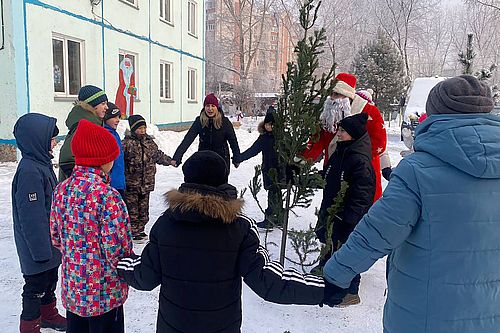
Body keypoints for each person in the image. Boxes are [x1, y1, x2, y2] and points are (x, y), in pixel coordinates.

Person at [323, 75, 500, 332]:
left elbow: (377, 231)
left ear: (435, 113)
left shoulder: (417, 171)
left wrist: (337, 274)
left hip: (424, 314)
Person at [117, 150, 346, 333]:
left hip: (173, 325)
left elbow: (144, 277)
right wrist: (323, 289)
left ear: (187, 180)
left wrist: (119, 261)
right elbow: (268, 281)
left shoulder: (166, 224)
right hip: (222, 326)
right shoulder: (240, 227)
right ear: (223, 180)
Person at [50, 119, 133, 333]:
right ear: (102, 160)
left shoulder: (61, 190)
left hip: (75, 290)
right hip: (103, 293)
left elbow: (56, 237)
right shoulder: (108, 196)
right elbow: (118, 249)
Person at [313, 113, 375, 306]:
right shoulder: (342, 152)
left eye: (342, 131)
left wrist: (350, 218)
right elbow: (329, 175)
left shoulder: (359, 161)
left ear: (353, 135)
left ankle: (350, 292)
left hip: (347, 217)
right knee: (331, 243)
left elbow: (363, 193)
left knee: (348, 252)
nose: (338, 133)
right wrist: (305, 177)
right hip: (333, 211)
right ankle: (325, 272)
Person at [12, 113, 67, 333]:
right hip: (36, 246)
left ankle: (48, 315)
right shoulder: (29, 171)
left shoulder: (41, 165)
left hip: (48, 243)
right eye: (51, 139)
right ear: (37, 140)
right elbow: (31, 217)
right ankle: (29, 325)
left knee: (50, 281)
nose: (55, 142)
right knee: (35, 286)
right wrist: (40, 251)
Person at [122, 114, 173, 240]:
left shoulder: (149, 143)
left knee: (143, 209)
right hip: (132, 184)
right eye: (139, 128)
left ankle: (141, 228)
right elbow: (120, 161)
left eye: (144, 128)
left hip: (146, 183)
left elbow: (158, 155)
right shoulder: (127, 144)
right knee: (132, 209)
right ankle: (133, 231)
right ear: (133, 129)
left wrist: (170, 161)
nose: (142, 131)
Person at [233, 111, 282, 229]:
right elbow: (253, 150)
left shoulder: (281, 137)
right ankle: (276, 217)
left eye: (271, 124)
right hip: (268, 169)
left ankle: (272, 218)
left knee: (275, 193)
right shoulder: (264, 138)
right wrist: (239, 158)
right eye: (267, 124)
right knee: (273, 192)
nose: (269, 126)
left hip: (280, 170)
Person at [171, 93, 241, 169]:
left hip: (221, 161)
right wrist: (177, 157)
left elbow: (233, 141)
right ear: (204, 107)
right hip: (203, 160)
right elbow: (187, 140)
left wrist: (237, 158)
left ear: (216, 107)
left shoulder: (225, 122)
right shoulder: (199, 121)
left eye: (213, 106)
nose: (210, 109)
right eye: (207, 106)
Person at [58, 85, 108, 181]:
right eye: (103, 103)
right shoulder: (84, 126)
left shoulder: (91, 123)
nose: (106, 107)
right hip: (83, 189)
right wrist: (82, 181)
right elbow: (67, 158)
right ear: (91, 105)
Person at [103, 102, 126, 198]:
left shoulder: (115, 134)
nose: (118, 120)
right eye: (114, 117)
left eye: (119, 117)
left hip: (119, 182)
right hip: (111, 184)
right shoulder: (106, 134)